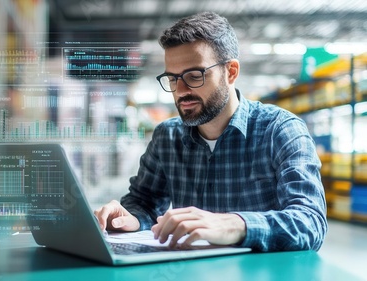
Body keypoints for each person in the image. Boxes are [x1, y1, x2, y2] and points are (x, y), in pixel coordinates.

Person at [94, 11, 328, 252]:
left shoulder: (281, 130)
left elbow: (310, 222)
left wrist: (234, 225)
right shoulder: (167, 136)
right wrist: (129, 219)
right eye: (172, 79)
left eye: (194, 76)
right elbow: (144, 202)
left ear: (231, 72)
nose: (181, 91)